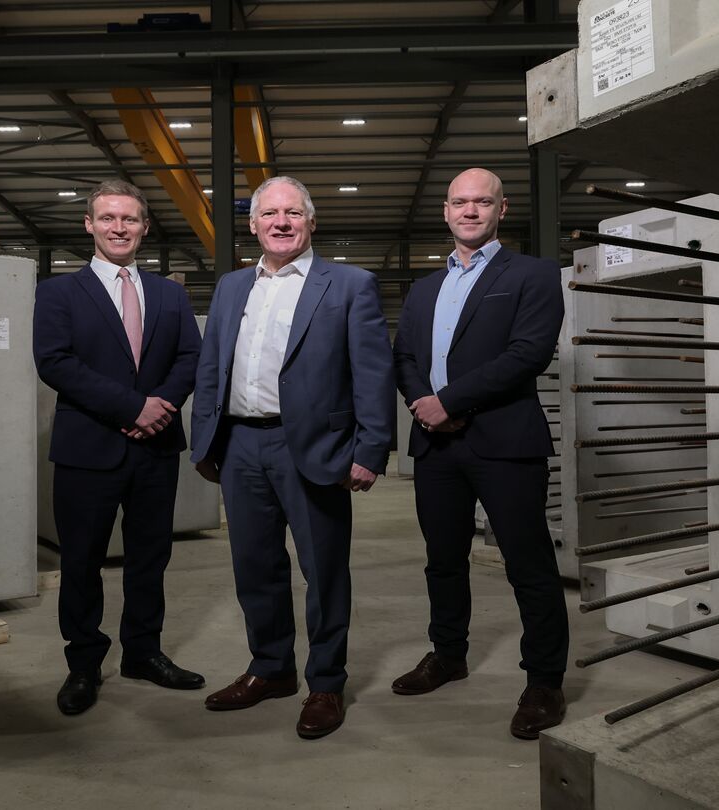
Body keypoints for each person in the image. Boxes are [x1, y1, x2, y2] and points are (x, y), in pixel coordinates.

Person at [190, 176, 394, 740]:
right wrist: (204, 439)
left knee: (324, 572)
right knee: (255, 568)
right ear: (253, 225)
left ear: (311, 222)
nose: (281, 222)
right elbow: (212, 366)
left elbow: (374, 374)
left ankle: (325, 682)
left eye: (293, 213)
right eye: (269, 214)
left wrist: (371, 449)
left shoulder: (349, 284)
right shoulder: (232, 286)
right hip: (240, 445)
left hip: (315, 449)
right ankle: (270, 668)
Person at [390, 167, 568, 739]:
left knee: (528, 565)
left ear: (501, 209)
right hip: (436, 446)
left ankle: (543, 680)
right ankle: (448, 654)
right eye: (460, 202)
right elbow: (404, 357)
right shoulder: (424, 288)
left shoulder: (533, 274)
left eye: (482, 202)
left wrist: (450, 401)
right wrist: (423, 402)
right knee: (443, 559)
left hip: (504, 442)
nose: (470, 211)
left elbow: (528, 353)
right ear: (445, 211)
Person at [32, 179, 204, 716]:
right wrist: (133, 408)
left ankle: (143, 653)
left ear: (144, 227)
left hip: (155, 448)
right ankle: (83, 663)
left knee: (150, 558)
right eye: (107, 218)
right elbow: (55, 362)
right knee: (81, 561)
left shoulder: (171, 293)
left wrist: (160, 407)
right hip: (89, 448)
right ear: (89, 225)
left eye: (129, 219)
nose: (119, 228)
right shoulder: (59, 292)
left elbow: (190, 358)